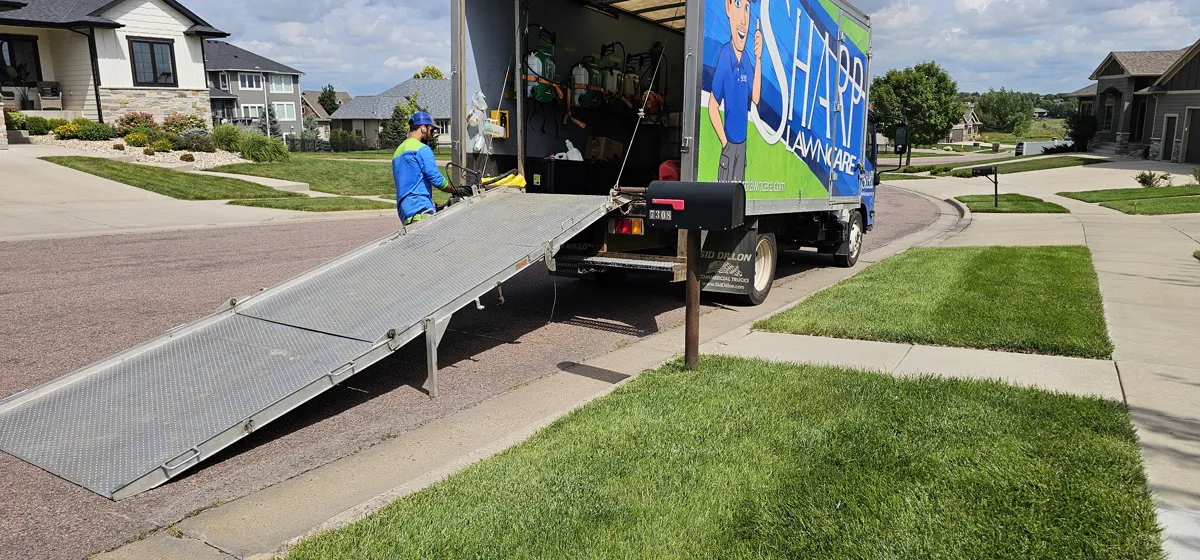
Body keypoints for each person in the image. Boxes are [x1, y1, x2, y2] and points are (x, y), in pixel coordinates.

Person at [707, 0, 762, 183]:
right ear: (728, 8)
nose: (744, 19)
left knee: (737, 201)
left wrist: (758, 58)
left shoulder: (746, 58)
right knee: (723, 202)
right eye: (738, 4)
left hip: (742, 147)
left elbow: (755, 97)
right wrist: (725, 143)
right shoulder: (725, 55)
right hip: (730, 147)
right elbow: (712, 107)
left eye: (747, 8)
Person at [392, 112, 471, 225]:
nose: (431, 134)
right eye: (431, 130)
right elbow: (436, 179)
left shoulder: (397, 152)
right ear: (423, 128)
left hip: (405, 212)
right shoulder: (422, 149)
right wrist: (456, 190)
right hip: (421, 210)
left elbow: (411, 185)